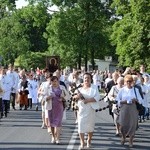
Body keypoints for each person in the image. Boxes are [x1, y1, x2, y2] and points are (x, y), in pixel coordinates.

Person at [73, 72, 100, 149]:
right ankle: (82, 142)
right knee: (81, 126)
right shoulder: (80, 88)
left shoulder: (94, 87)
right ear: (83, 79)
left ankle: (89, 140)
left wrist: (88, 100)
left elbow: (97, 97)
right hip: (82, 109)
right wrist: (77, 96)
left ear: (91, 79)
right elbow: (74, 96)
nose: (86, 79)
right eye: (85, 78)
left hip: (91, 109)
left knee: (90, 126)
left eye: (88, 78)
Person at [116, 74, 143, 148]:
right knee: (122, 125)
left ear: (132, 82)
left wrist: (136, 100)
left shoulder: (135, 90)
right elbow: (117, 100)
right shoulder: (122, 90)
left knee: (132, 124)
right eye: (127, 81)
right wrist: (122, 101)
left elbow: (141, 100)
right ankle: (123, 137)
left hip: (133, 108)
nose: (128, 83)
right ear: (124, 81)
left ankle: (131, 140)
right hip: (124, 108)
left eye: (130, 81)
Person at [46, 76, 70, 144]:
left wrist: (63, 98)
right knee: (52, 123)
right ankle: (53, 137)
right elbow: (43, 97)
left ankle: (58, 138)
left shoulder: (62, 88)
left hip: (59, 107)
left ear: (58, 81)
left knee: (58, 123)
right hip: (51, 107)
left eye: (55, 81)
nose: (54, 83)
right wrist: (48, 97)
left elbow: (68, 96)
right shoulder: (48, 88)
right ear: (51, 82)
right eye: (53, 81)